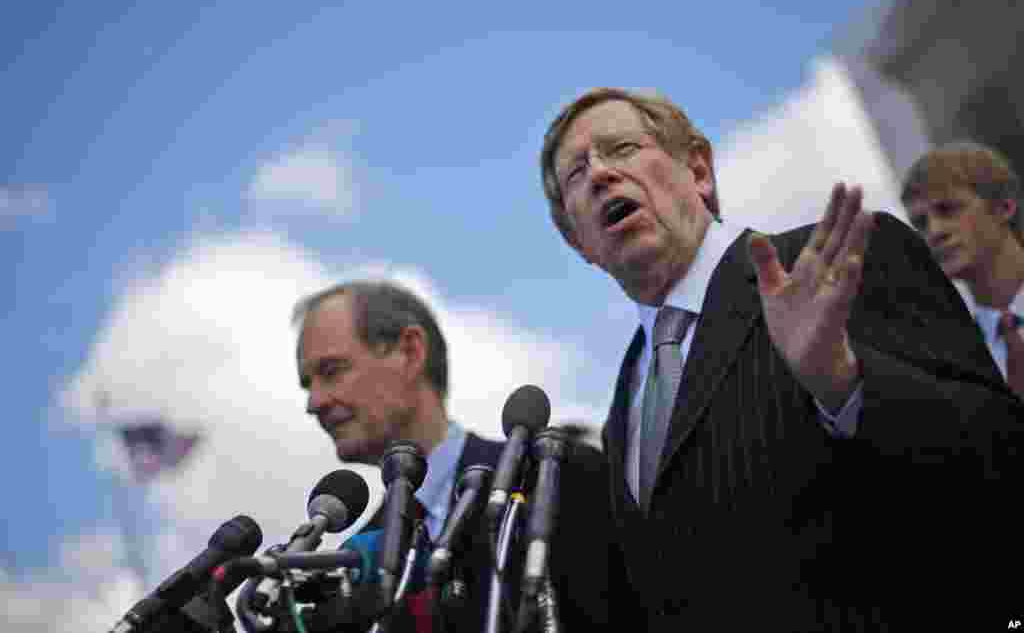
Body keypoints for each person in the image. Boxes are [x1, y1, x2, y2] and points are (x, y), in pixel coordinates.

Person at [538, 87, 1021, 630]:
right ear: (579, 242)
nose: (601, 173)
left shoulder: (841, 266)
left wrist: (845, 383)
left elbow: (1001, 458)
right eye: (576, 174)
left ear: (698, 170)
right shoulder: (623, 411)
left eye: (622, 147)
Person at [292, 279, 618, 632]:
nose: (315, 402)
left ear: (410, 352)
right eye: (308, 384)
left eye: (331, 371)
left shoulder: (556, 478)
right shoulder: (356, 561)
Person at [901, 142, 1024, 396]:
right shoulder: (950, 361)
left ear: (1004, 207)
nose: (934, 232)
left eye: (948, 210)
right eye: (920, 223)